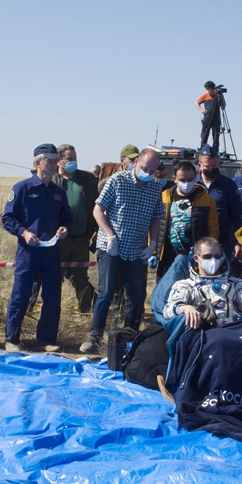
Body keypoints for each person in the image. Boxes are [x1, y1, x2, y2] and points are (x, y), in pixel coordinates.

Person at [81, 148, 164, 354]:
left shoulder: (155, 188)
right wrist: (110, 235)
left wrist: (152, 243)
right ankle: (95, 337)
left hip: (136, 250)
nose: (148, 173)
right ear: (136, 162)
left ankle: (130, 338)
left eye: (152, 170)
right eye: (145, 168)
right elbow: (98, 209)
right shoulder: (117, 181)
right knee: (106, 292)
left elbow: (156, 217)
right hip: (111, 247)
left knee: (136, 296)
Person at [2, 144, 72, 353]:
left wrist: (64, 229)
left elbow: (67, 219)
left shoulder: (58, 192)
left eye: (55, 160)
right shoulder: (22, 188)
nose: (53, 164)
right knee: (21, 294)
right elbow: (8, 218)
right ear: (36, 163)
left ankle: (46, 340)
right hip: (28, 252)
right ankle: (12, 339)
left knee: (52, 296)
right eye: (48, 160)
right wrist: (23, 232)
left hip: (51, 252)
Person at [163, 237, 242, 329]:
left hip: (235, 332)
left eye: (217, 256)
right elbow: (168, 310)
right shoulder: (186, 285)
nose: (213, 260)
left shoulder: (235, 283)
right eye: (208, 256)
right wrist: (184, 308)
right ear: (196, 258)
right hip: (205, 335)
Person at [52, 144, 99, 314]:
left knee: (80, 277)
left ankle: (85, 310)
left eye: (75, 158)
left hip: (81, 238)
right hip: (58, 240)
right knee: (55, 277)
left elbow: (97, 205)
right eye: (69, 159)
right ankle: (53, 311)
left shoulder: (87, 179)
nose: (73, 162)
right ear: (59, 160)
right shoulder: (52, 180)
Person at [158, 161, 218, 279]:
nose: (186, 183)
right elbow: (157, 225)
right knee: (166, 290)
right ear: (175, 178)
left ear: (196, 177)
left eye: (190, 179)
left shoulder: (206, 200)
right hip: (168, 255)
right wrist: (154, 251)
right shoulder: (165, 197)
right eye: (182, 180)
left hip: (195, 256)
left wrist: (212, 253)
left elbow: (213, 228)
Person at [197, 145, 242, 261]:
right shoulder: (193, 184)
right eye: (207, 166)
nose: (211, 169)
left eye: (215, 166)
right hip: (197, 239)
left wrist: (238, 242)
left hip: (223, 240)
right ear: (200, 166)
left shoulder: (228, 185)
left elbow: (238, 215)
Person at [196, 81, 226, 151]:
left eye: (208, 89)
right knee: (204, 133)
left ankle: (215, 149)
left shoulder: (218, 96)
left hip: (216, 118)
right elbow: (197, 103)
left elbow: (223, 107)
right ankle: (203, 148)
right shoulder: (205, 96)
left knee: (216, 134)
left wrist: (221, 98)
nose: (207, 91)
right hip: (207, 118)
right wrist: (201, 110)